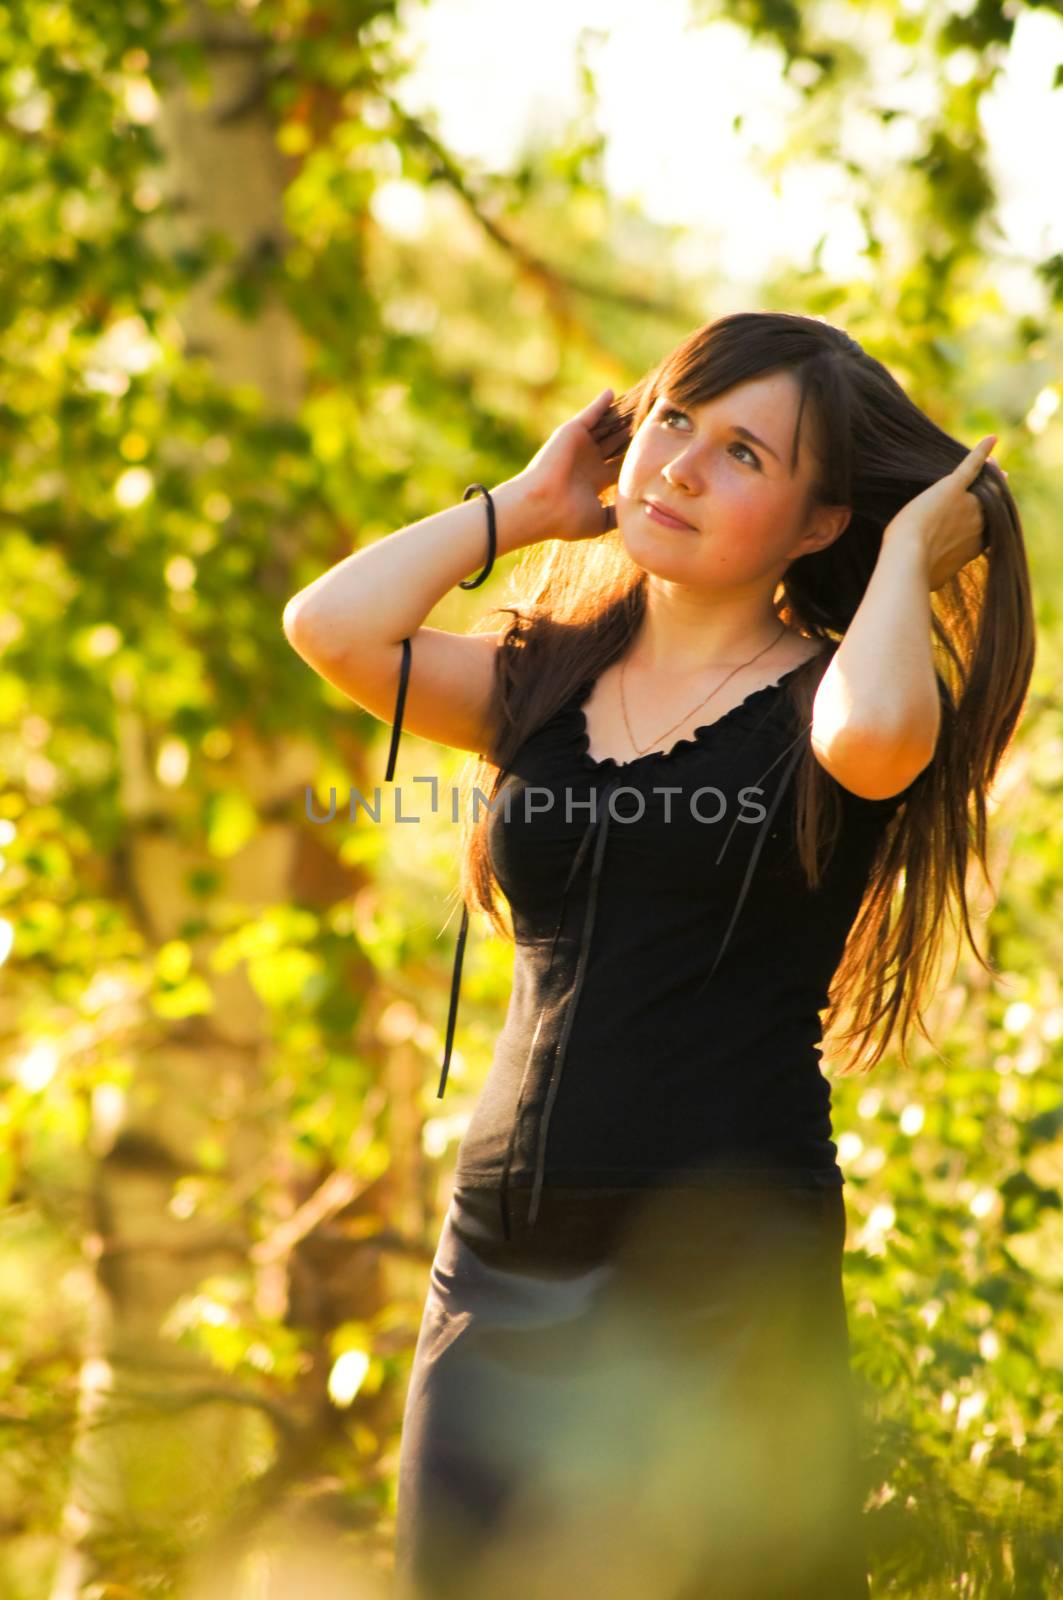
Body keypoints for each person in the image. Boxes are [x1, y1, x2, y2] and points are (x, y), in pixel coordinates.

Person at [282, 311, 1033, 1600]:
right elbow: (332, 627)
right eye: (675, 421)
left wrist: (908, 553)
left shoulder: (831, 697)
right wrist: (521, 505)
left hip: (716, 1268)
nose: (680, 465)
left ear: (817, 525)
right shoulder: (544, 683)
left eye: (744, 454)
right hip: (497, 1264)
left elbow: (883, 737)